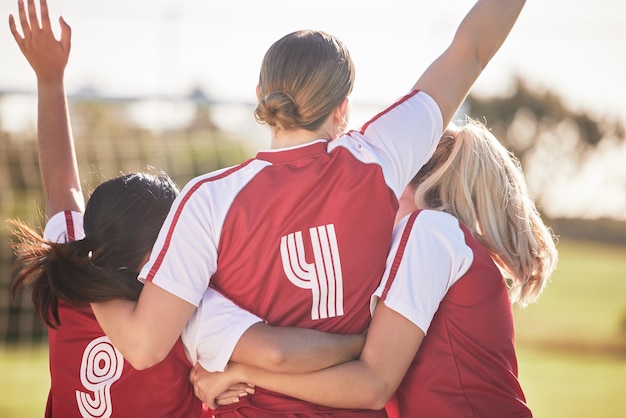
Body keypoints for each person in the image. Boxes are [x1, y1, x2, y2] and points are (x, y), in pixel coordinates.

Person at [91, 0, 527, 416]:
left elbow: (145, 347)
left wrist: (82, 264)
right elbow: (472, 48)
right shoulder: (378, 158)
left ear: (261, 94)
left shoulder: (208, 198)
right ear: (343, 109)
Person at [8, 0, 368, 416]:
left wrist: (49, 79)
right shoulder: (183, 310)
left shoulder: (67, 270)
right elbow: (275, 353)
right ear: (155, 254)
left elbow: (61, 187)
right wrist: (361, 342)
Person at [190, 118, 559, 417]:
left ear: (410, 184)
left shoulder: (429, 232)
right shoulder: (443, 238)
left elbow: (371, 385)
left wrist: (242, 373)